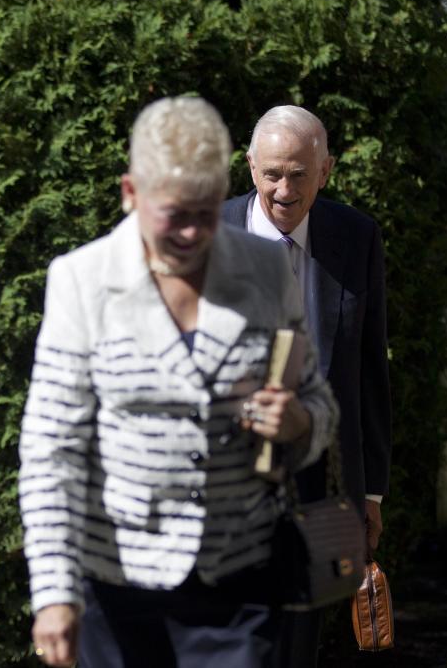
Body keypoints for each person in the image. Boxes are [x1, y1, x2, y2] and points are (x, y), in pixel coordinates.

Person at [17, 96, 339, 668]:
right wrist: (54, 594)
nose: (192, 231)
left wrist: (301, 422)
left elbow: (317, 399)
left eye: (207, 211)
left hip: (240, 578)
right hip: (117, 584)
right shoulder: (82, 281)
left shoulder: (266, 270)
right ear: (131, 193)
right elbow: (51, 451)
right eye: (174, 213)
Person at [222, 105, 393, 667]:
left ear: (326, 171)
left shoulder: (356, 237)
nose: (284, 189)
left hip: (321, 486)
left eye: (299, 174)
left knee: (298, 644)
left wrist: (370, 493)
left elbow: (368, 373)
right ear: (250, 167)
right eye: (272, 173)